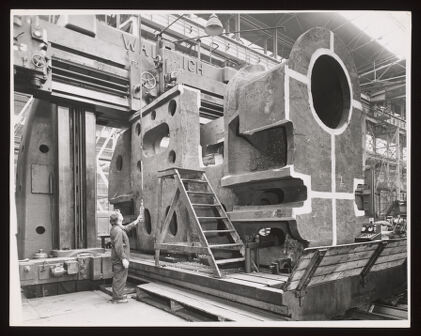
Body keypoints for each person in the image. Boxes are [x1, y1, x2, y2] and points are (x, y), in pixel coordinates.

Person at [109, 209, 141, 303]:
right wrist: (123, 258)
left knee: (120, 276)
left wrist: (137, 221)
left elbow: (126, 228)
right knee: (119, 277)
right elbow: (118, 246)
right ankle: (118, 298)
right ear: (118, 219)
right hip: (119, 259)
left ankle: (118, 294)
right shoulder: (118, 230)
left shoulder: (117, 227)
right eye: (120, 214)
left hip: (118, 258)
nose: (122, 215)